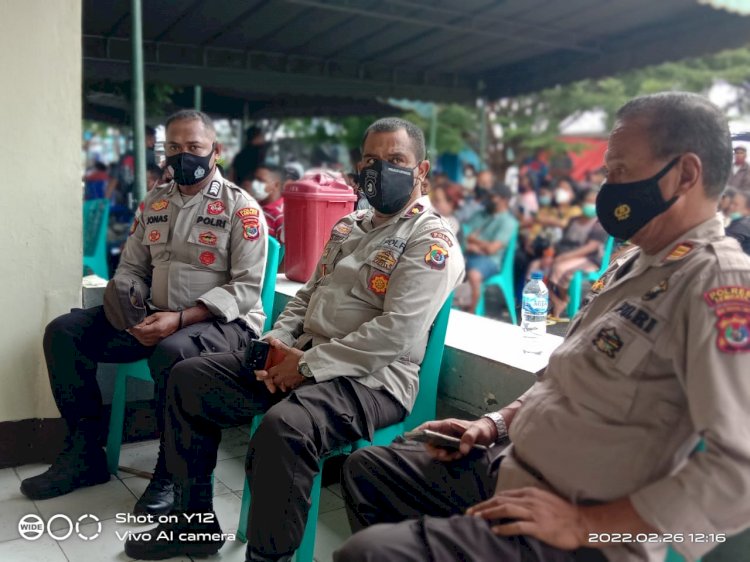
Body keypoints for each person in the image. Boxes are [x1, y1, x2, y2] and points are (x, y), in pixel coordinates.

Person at [335, 92, 750, 562]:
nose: (608, 186)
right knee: (369, 470)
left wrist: (589, 526)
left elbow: (740, 474)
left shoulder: (717, 282)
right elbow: (563, 379)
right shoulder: (634, 263)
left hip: (579, 528)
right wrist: (493, 423)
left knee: (368, 554)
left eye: (620, 172)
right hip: (510, 465)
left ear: (686, 174)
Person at [122, 117, 465, 561]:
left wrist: (304, 366)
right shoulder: (349, 227)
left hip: (371, 380)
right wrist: (275, 344)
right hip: (300, 357)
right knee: (189, 380)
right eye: (371, 160)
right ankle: (193, 525)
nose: (381, 170)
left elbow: (394, 334)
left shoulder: (430, 241)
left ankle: (269, 557)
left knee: (285, 430)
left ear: (422, 170)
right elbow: (305, 297)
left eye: (395, 160)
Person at [20, 110, 268, 518]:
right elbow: (133, 266)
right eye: (174, 147)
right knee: (65, 332)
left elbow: (245, 288)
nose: (182, 155)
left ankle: (170, 474)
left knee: (171, 351)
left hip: (221, 325)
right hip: (155, 316)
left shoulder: (240, 209)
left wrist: (182, 318)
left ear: (216, 152)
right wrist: (128, 296)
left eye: (194, 147)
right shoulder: (154, 203)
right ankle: (84, 455)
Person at [527, 189, 608, 317]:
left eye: (594, 202)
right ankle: (557, 301)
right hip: (564, 254)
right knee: (536, 266)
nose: (590, 204)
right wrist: (550, 254)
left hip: (589, 259)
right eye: (588, 201)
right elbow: (561, 241)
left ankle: (565, 299)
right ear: (582, 203)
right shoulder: (573, 220)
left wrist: (565, 257)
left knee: (560, 267)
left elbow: (592, 247)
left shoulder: (599, 223)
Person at [464, 183, 518, 313]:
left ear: (505, 200)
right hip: (468, 253)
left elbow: (492, 250)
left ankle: (471, 312)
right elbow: (463, 236)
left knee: (474, 275)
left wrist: (474, 240)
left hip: (490, 260)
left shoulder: (509, 222)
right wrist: (472, 243)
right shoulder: (481, 215)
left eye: (493, 196)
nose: (489, 199)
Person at [242, 164, 285, 242]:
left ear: (276, 185)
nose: (254, 184)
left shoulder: (280, 214)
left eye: (261, 181)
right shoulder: (254, 204)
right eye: (255, 179)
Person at [726, 190, 750, 254]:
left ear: (748, 210)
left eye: (735, 205)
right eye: (731, 203)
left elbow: (723, 245)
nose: (730, 207)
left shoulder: (742, 226)